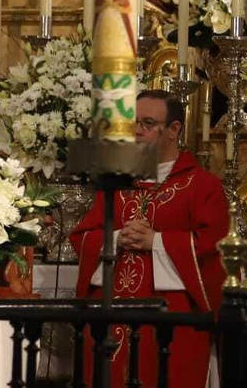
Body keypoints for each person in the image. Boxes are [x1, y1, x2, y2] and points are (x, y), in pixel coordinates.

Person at [69, 90, 228, 388]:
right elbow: (82, 237)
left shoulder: (202, 186)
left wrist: (156, 241)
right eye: (133, 123)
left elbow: (214, 248)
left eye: (148, 123)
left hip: (173, 320)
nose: (137, 131)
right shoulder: (117, 182)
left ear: (174, 130)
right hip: (113, 315)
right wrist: (117, 238)